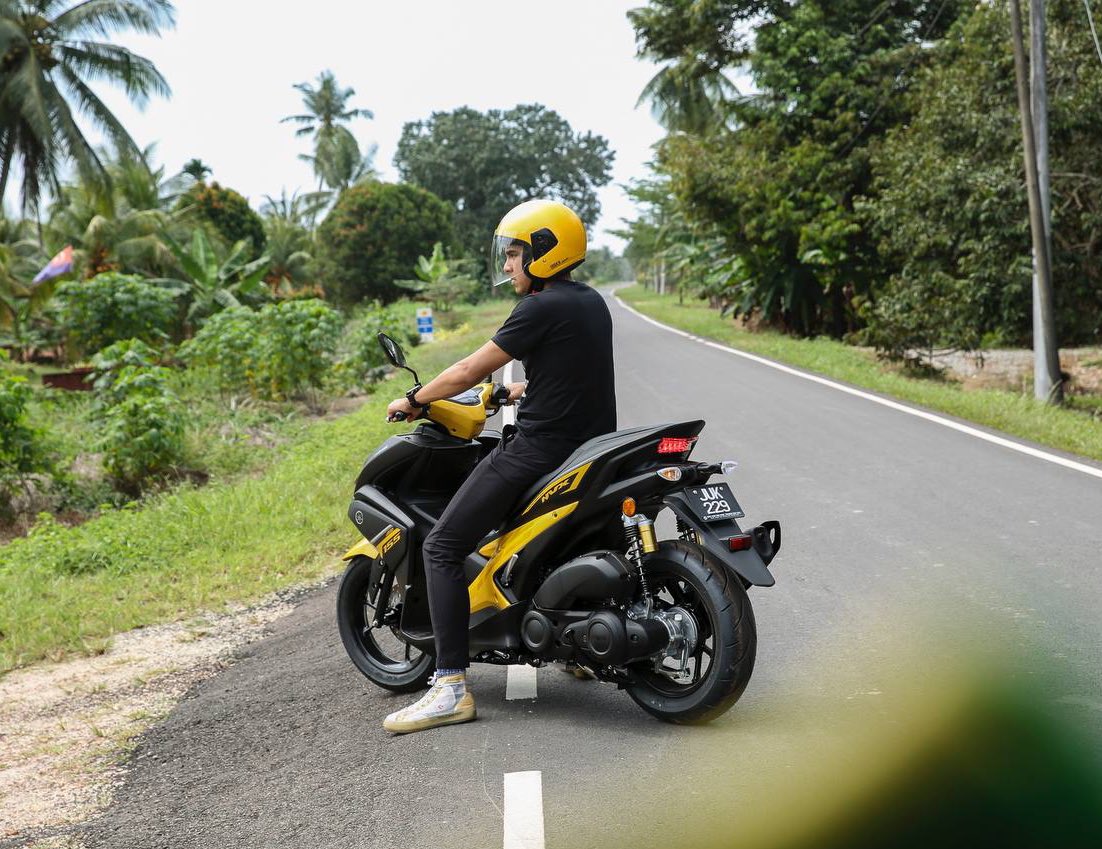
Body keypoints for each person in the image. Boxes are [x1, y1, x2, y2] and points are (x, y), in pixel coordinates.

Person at [382, 199, 617, 734]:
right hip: (590, 450)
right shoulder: (589, 303)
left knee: (441, 546)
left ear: (544, 253)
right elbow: (569, 375)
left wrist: (417, 398)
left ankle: (448, 686)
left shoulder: (538, 308)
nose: (508, 265)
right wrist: (511, 390)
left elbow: (467, 368)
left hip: (540, 449)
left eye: (514, 254)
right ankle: (576, 647)